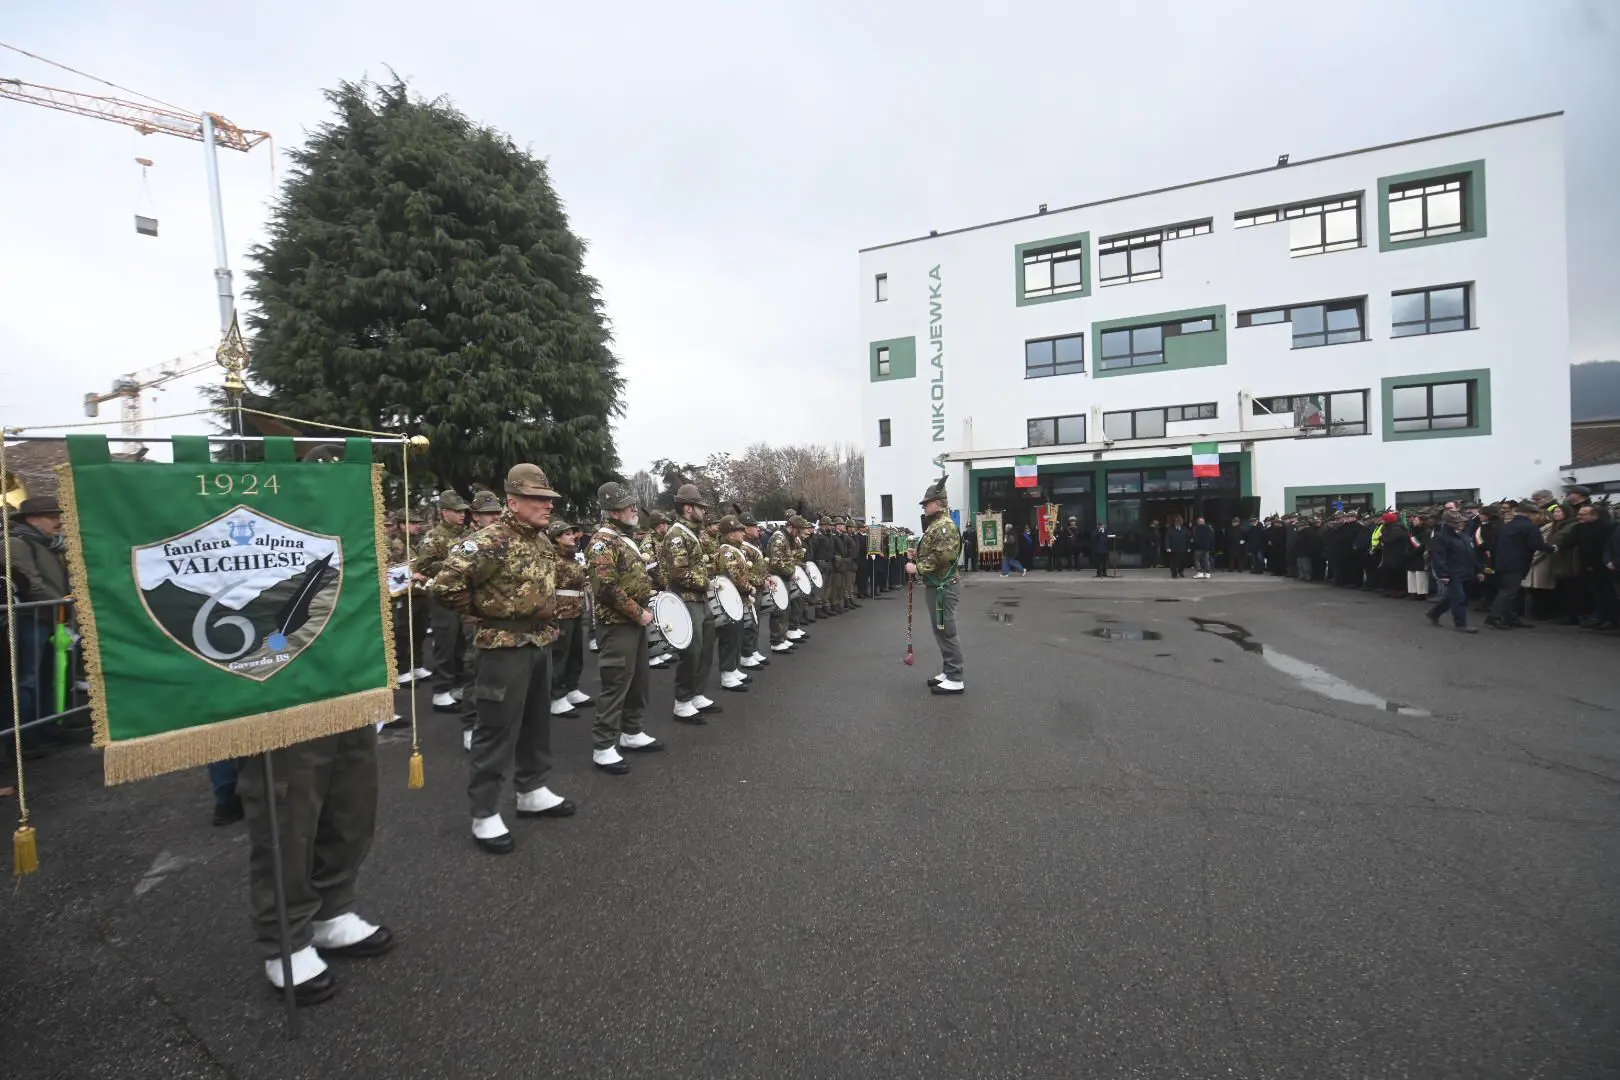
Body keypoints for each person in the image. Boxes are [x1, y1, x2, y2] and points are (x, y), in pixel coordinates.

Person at [432, 464, 576, 855]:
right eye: (539, 500)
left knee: (536, 722)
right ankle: (484, 812)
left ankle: (531, 789)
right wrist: (486, 611)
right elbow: (445, 586)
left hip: (538, 641)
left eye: (549, 500)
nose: (548, 507)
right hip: (503, 646)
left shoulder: (542, 541)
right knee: (495, 729)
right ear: (514, 501)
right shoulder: (489, 540)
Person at [585, 481, 664, 775]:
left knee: (638, 681)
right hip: (617, 625)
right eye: (628, 505)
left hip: (634, 621)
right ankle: (604, 745)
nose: (634, 508)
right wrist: (638, 612)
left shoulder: (623, 539)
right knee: (616, 683)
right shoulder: (603, 542)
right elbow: (605, 588)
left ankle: (631, 732)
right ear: (613, 511)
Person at [5, 495, 69, 757]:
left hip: (49, 617)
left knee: (46, 676)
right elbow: (31, 584)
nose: (58, 521)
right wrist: (62, 603)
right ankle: (25, 737)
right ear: (32, 519)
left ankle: (46, 726)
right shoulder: (17, 544)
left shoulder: (51, 545)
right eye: (51, 516)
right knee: (28, 679)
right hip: (30, 619)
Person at [662, 484, 720, 722]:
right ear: (688, 508)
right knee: (691, 652)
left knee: (705, 648)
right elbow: (678, 573)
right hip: (686, 600)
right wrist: (706, 581)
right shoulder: (676, 535)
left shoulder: (692, 533)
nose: (704, 512)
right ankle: (682, 701)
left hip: (699, 598)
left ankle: (697, 694)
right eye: (700, 507)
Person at [412, 490, 469, 712]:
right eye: (456, 511)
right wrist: (451, 565)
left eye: (463, 511)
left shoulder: (465, 535)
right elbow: (423, 566)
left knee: (461, 644)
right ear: (445, 512)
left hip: (462, 595)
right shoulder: (434, 537)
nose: (462, 515)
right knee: (445, 642)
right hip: (443, 596)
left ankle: (457, 685)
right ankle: (441, 691)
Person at [909, 478, 965, 695]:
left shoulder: (944, 526)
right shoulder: (937, 525)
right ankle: (948, 670)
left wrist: (918, 568)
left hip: (944, 587)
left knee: (946, 630)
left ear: (939, 503)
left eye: (928, 502)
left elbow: (944, 556)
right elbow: (936, 551)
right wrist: (918, 555)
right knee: (940, 630)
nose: (924, 506)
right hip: (938, 586)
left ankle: (955, 676)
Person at [546, 521, 593, 718]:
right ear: (556, 537)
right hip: (560, 613)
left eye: (572, 533)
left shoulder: (573, 556)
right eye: (566, 534)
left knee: (576, 653)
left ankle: (572, 688)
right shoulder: (552, 558)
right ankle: (556, 696)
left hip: (575, 611)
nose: (572, 536)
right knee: (559, 655)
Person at [1485, 501, 1553, 630]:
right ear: (1530, 514)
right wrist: (1552, 548)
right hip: (1517, 563)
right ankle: (1494, 617)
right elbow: (1536, 544)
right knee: (1508, 592)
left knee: (1509, 591)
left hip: (1501, 563)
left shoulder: (1506, 526)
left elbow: (1494, 545)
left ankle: (1510, 616)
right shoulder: (1529, 527)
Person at [713, 515, 754, 693]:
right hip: (730, 599)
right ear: (730, 535)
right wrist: (749, 588)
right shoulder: (727, 552)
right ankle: (727, 674)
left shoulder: (734, 549)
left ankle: (733, 668)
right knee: (729, 637)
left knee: (737, 634)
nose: (742, 533)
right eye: (738, 530)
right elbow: (734, 577)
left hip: (738, 598)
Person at [1426, 509, 1479, 633]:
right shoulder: (1441, 537)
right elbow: (1439, 557)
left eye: (1461, 521)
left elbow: (1471, 554)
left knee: (1453, 597)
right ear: (1448, 523)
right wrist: (1443, 574)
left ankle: (1434, 613)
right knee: (1459, 598)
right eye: (1456, 522)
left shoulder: (1464, 536)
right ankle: (1461, 624)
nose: (1461, 524)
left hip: (1466, 571)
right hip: (1452, 572)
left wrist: (1478, 570)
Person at [739, 516, 771, 669]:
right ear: (745, 528)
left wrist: (767, 577)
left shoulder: (754, 543)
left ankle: (753, 649)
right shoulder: (743, 547)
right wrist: (760, 581)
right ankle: (746, 654)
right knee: (749, 623)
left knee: (756, 621)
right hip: (749, 589)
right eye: (753, 526)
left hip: (757, 588)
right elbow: (745, 571)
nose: (757, 529)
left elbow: (759, 567)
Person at [766, 516, 799, 654]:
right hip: (778, 577)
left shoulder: (786, 537)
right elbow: (776, 562)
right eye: (798, 530)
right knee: (779, 609)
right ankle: (776, 640)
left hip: (784, 576)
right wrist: (790, 573)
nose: (798, 533)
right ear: (792, 527)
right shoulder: (779, 538)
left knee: (786, 608)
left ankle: (782, 637)